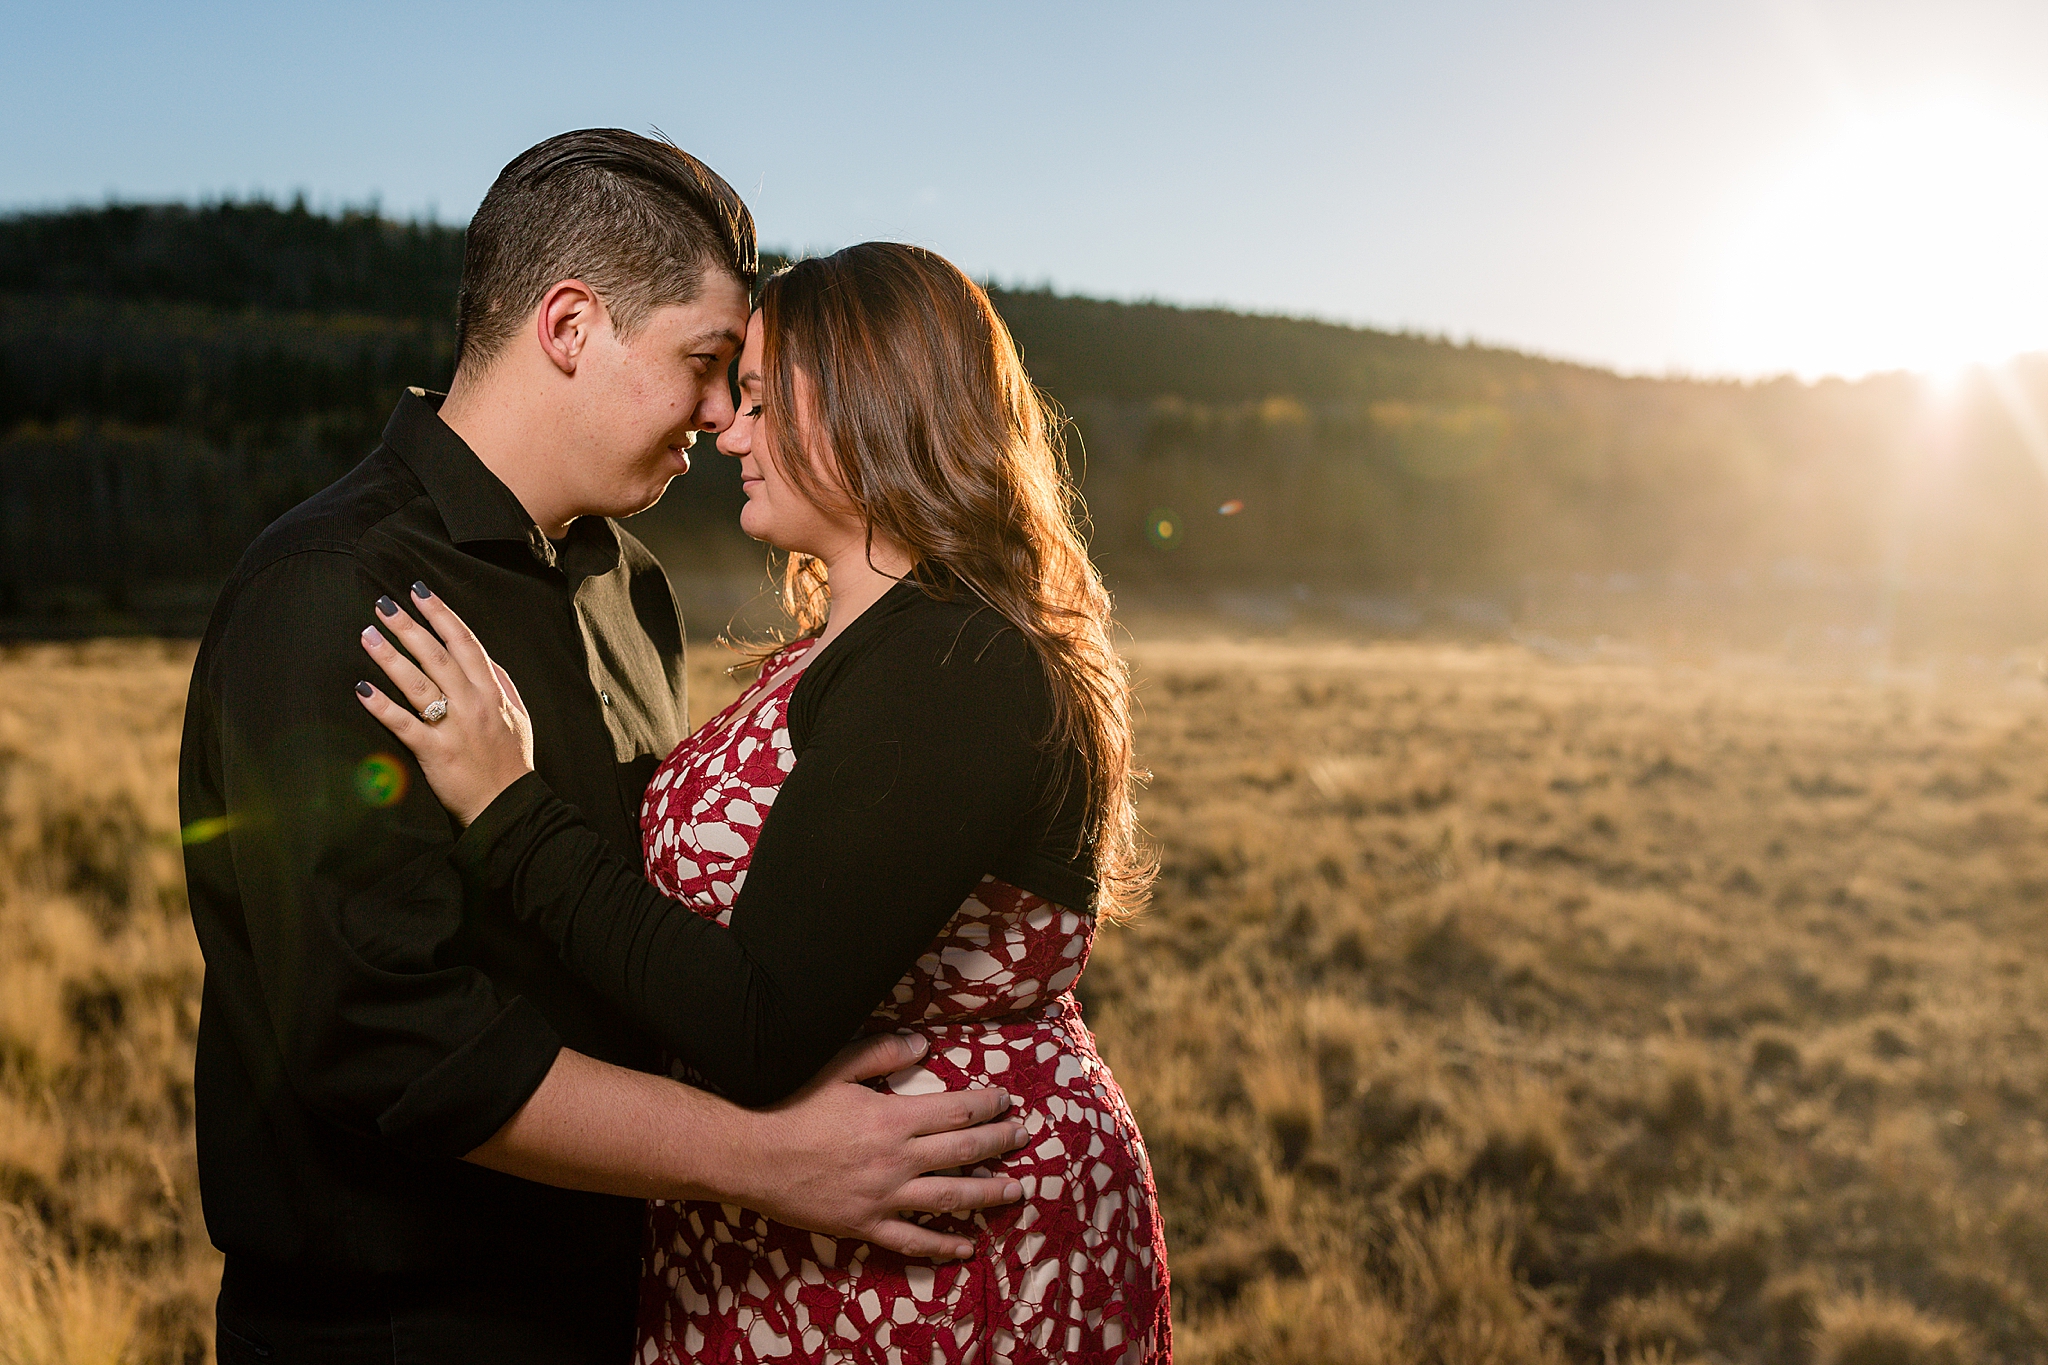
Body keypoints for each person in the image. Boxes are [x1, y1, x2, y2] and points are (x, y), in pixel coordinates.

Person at [178, 134, 1026, 1365]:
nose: (725, 414)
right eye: (702, 363)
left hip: (629, 1305)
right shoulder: (330, 592)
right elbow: (384, 1041)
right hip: (404, 1329)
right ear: (570, 327)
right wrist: (764, 1162)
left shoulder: (628, 584)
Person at [356, 242, 1172, 1363]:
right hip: (805, 1240)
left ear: (866, 401)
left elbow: (755, 1027)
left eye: (755, 399)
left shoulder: (955, 660)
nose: (726, 433)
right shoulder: (858, 645)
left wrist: (509, 806)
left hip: (935, 1258)